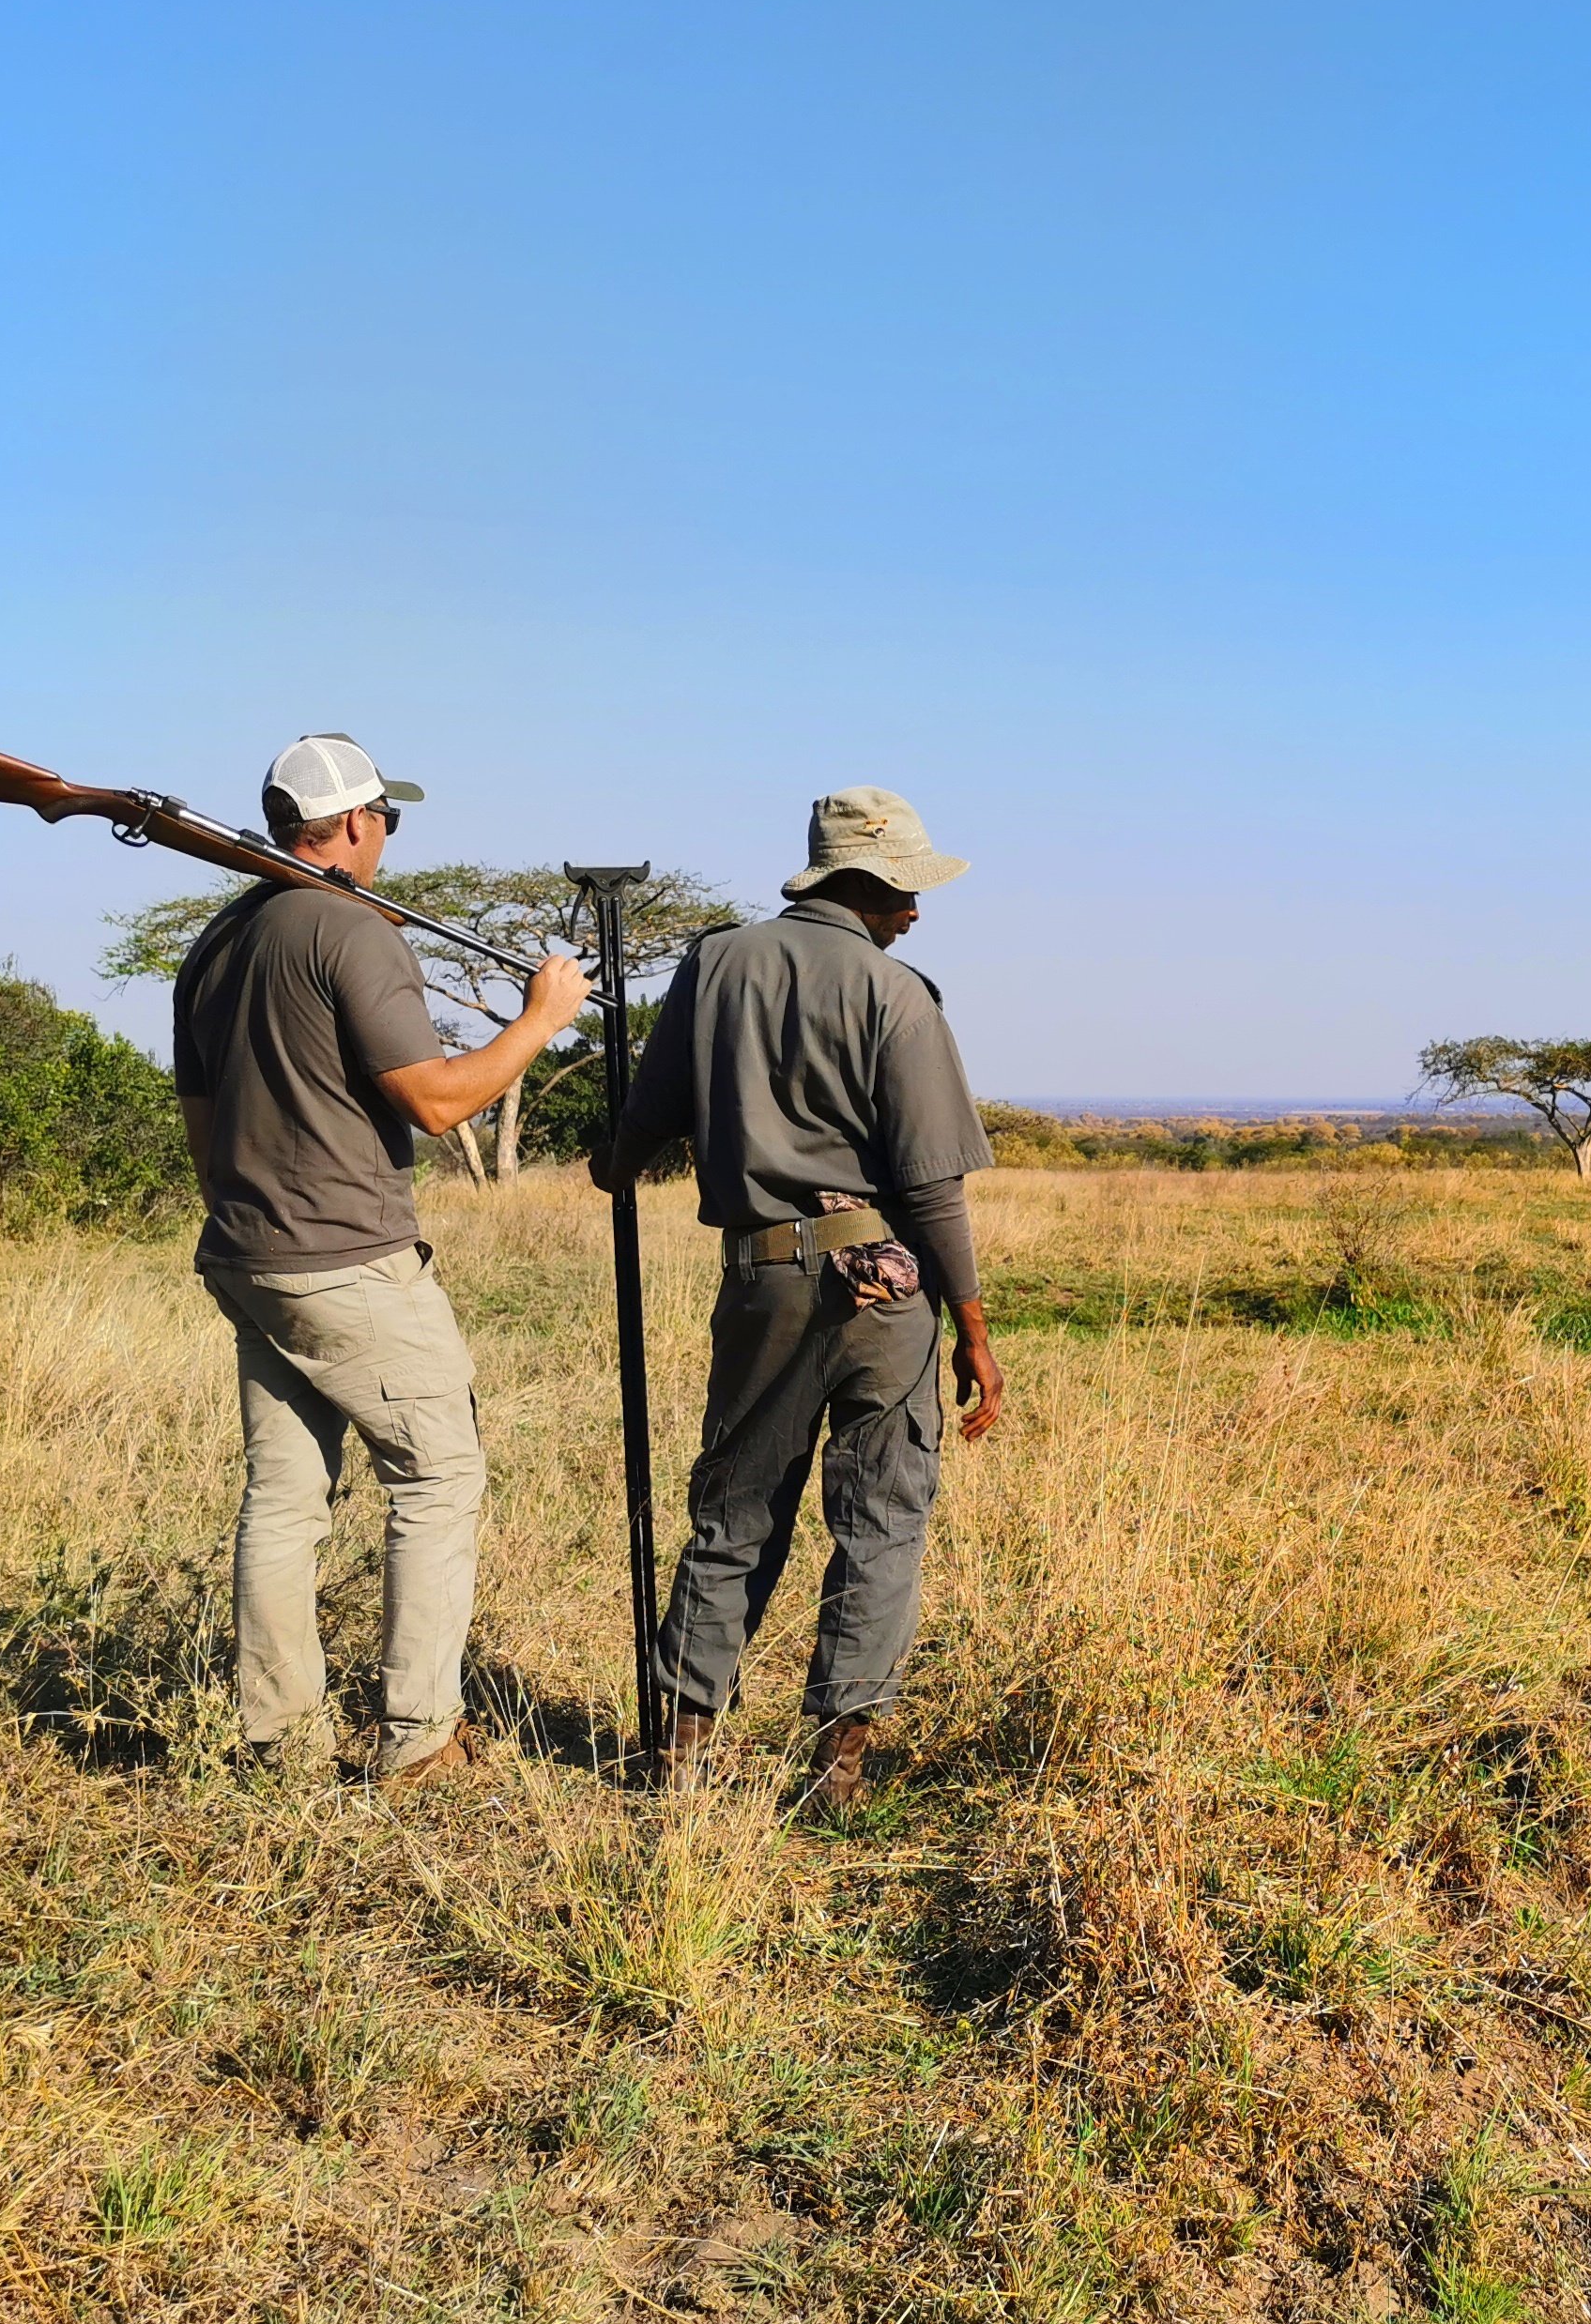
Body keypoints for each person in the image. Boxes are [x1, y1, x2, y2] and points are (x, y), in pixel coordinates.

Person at [173, 733, 590, 1785]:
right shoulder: (350, 931)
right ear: (358, 823)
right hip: (344, 1258)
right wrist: (542, 1021)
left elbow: (200, 1132)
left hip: (246, 1253)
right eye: (387, 820)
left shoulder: (215, 945)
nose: (389, 837)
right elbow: (439, 1101)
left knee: (282, 1495)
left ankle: (279, 1740)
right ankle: (419, 1736)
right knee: (439, 1473)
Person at [595, 786, 1004, 1811]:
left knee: (733, 1514)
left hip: (760, 1278)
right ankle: (839, 1769)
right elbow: (928, 1188)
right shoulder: (896, 993)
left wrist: (615, 1159)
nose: (914, 909)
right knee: (882, 1521)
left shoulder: (715, 964)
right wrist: (974, 1330)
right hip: (883, 1288)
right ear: (862, 881)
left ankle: (681, 1750)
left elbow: (641, 1127)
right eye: (905, 887)